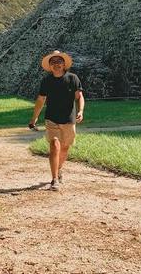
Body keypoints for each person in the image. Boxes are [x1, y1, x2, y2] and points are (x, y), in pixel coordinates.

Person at [29, 50, 85, 191]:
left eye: (59, 62)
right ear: (50, 66)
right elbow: (41, 100)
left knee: (65, 148)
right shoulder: (46, 81)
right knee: (54, 145)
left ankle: (59, 169)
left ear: (64, 64)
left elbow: (79, 96)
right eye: (53, 62)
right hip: (51, 118)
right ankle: (54, 179)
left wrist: (81, 110)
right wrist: (34, 118)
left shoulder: (73, 78)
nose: (56, 64)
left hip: (69, 119)